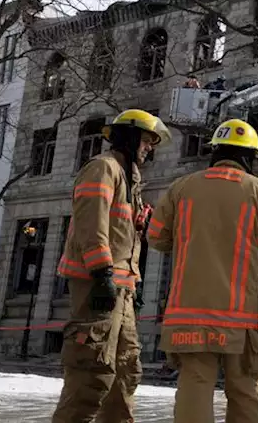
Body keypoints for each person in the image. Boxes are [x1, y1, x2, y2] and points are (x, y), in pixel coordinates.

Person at [147, 118, 258, 423]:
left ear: (215, 151)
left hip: (190, 314)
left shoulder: (181, 187)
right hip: (243, 317)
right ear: (249, 157)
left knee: (194, 386)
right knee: (245, 390)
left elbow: (157, 237)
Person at [52, 109, 171, 423]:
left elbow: (117, 233)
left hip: (120, 289)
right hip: (98, 286)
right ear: (130, 138)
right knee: (91, 373)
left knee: (124, 372)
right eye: (147, 140)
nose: (150, 148)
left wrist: (132, 278)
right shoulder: (103, 169)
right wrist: (103, 273)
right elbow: (92, 225)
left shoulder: (128, 178)